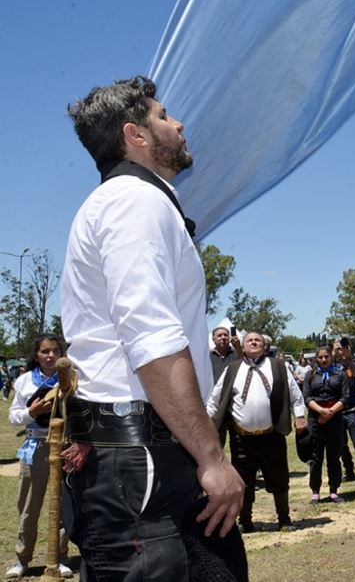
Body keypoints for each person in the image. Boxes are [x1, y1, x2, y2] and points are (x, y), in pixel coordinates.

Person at [61, 76, 245, 579]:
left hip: (154, 452)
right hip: (140, 461)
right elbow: (152, 340)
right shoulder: (131, 201)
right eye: (163, 115)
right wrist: (210, 458)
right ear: (135, 135)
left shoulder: (141, 200)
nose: (179, 123)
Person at [207, 332, 307, 532]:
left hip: (272, 436)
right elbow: (214, 399)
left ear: (265, 346)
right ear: (242, 347)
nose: (254, 342)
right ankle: (245, 521)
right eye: (249, 340)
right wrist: (207, 423)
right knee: (244, 481)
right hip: (241, 439)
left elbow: (296, 395)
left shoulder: (279, 367)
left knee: (279, 479)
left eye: (258, 340)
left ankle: (284, 519)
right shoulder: (232, 369)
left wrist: (300, 416)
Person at [6, 335, 72, 579]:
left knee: (63, 504)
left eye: (56, 351)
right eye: (45, 351)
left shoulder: (71, 379)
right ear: (36, 355)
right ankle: (22, 559)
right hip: (35, 444)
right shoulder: (24, 381)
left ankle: (60, 557)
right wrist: (31, 412)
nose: (51, 355)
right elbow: (13, 417)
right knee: (29, 507)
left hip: (66, 444)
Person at [302, 346, 350, 504]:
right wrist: (321, 411)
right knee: (316, 456)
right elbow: (307, 397)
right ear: (316, 358)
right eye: (320, 357)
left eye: (326, 357)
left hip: (335, 417)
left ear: (331, 357)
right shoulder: (310, 375)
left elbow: (345, 397)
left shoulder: (340, 374)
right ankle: (315, 491)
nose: (323, 360)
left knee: (334, 455)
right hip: (316, 417)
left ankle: (334, 490)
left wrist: (330, 412)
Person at [334, 340, 355, 484]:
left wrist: (348, 357)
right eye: (339, 348)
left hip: (352, 410)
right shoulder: (334, 367)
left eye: (344, 347)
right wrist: (333, 353)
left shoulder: (354, 364)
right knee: (341, 445)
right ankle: (349, 471)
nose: (341, 350)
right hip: (338, 411)